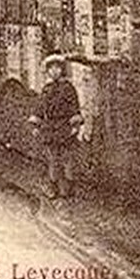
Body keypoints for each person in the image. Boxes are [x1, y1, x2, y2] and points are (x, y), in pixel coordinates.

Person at [29, 54, 82, 199]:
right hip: (50, 127)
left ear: (62, 70)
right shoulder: (46, 89)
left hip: (65, 126)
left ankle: (68, 188)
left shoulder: (68, 88)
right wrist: (35, 124)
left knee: (67, 158)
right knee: (53, 159)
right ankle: (53, 188)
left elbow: (74, 107)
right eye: (51, 68)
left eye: (57, 68)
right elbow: (40, 107)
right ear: (48, 71)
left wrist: (75, 125)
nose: (54, 71)